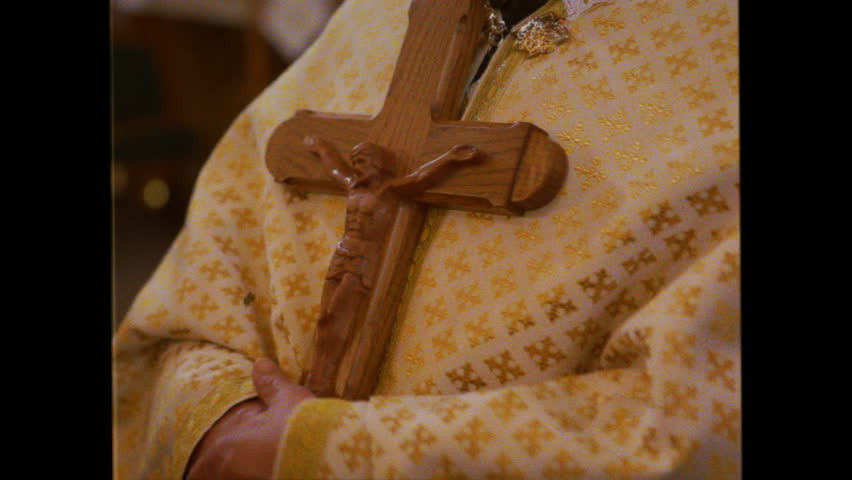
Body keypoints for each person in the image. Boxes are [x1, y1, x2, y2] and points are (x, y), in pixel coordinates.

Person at [113, 0, 740, 478]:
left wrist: (326, 450)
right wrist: (220, 416)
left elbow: (710, 420)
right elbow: (190, 308)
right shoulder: (375, 18)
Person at [300, 137, 482, 397]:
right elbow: (335, 168)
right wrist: (321, 148)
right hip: (342, 253)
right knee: (325, 318)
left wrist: (450, 158)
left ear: (378, 164)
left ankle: (324, 381)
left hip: (364, 259)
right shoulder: (353, 187)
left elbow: (420, 178)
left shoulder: (388, 191)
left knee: (341, 316)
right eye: (356, 162)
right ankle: (317, 377)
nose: (358, 166)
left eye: (363, 161)